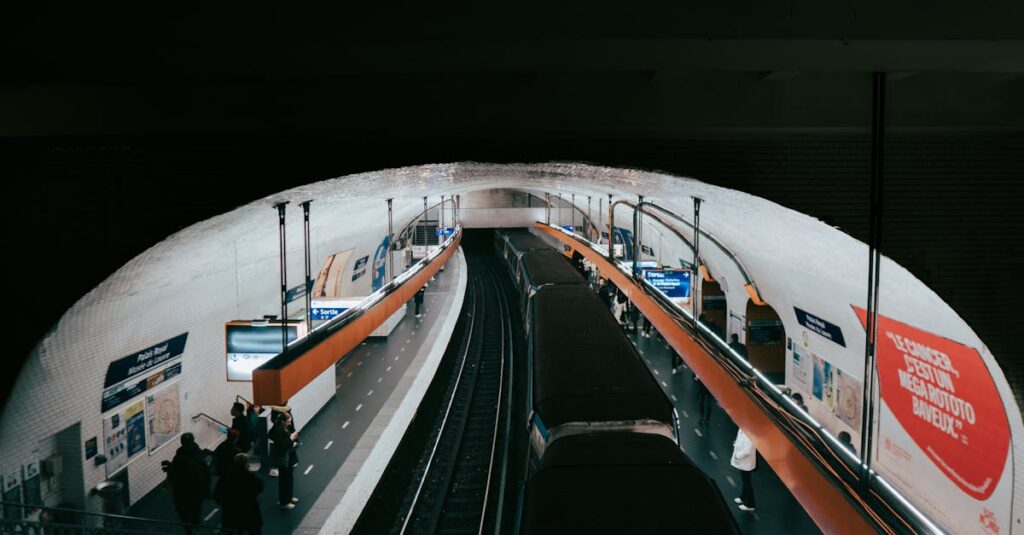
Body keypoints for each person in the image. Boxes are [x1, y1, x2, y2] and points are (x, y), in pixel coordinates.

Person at [167, 433, 210, 533]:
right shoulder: (199, 454)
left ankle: (189, 531)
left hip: (182, 492)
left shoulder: (178, 458)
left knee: (184, 515)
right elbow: (206, 473)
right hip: (197, 491)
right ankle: (196, 529)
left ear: (182, 442)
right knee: (196, 512)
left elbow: (173, 477)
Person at [215, 453, 264, 535]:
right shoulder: (251, 477)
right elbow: (260, 488)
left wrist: (226, 504)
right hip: (249, 511)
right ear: (247, 464)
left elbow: (217, 495)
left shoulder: (226, 477)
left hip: (231, 513)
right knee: (254, 531)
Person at [268, 412, 299, 510]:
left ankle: (289, 497)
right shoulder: (277, 431)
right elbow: (282, 445)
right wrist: (291, 439)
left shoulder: (284, 427)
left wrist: (292, 439)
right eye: (288, 422)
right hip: (283, 459)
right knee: (284, 481)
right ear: (282, 421)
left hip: (288, 458)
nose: (290, 424)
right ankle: (284, 502)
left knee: (289, 479)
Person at [731, 428, 757, 512]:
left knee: (747, 482)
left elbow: (747, 451)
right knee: (745, 481)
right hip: (743, 462)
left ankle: (750, 504)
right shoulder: (742, 429)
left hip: (745, 462)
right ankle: (743, 497)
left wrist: (737, 456)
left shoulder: (750, 434)